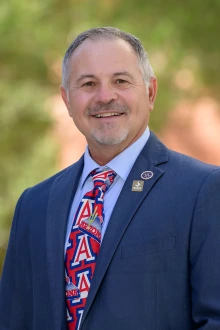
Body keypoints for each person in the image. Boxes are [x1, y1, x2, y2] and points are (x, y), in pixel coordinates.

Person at [0, 27, 220, 330]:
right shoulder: (34, 205)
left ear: (150, 92)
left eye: (121, 81)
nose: (105, 96)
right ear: (66, 99)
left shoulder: (203, 191)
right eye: (88, 83)